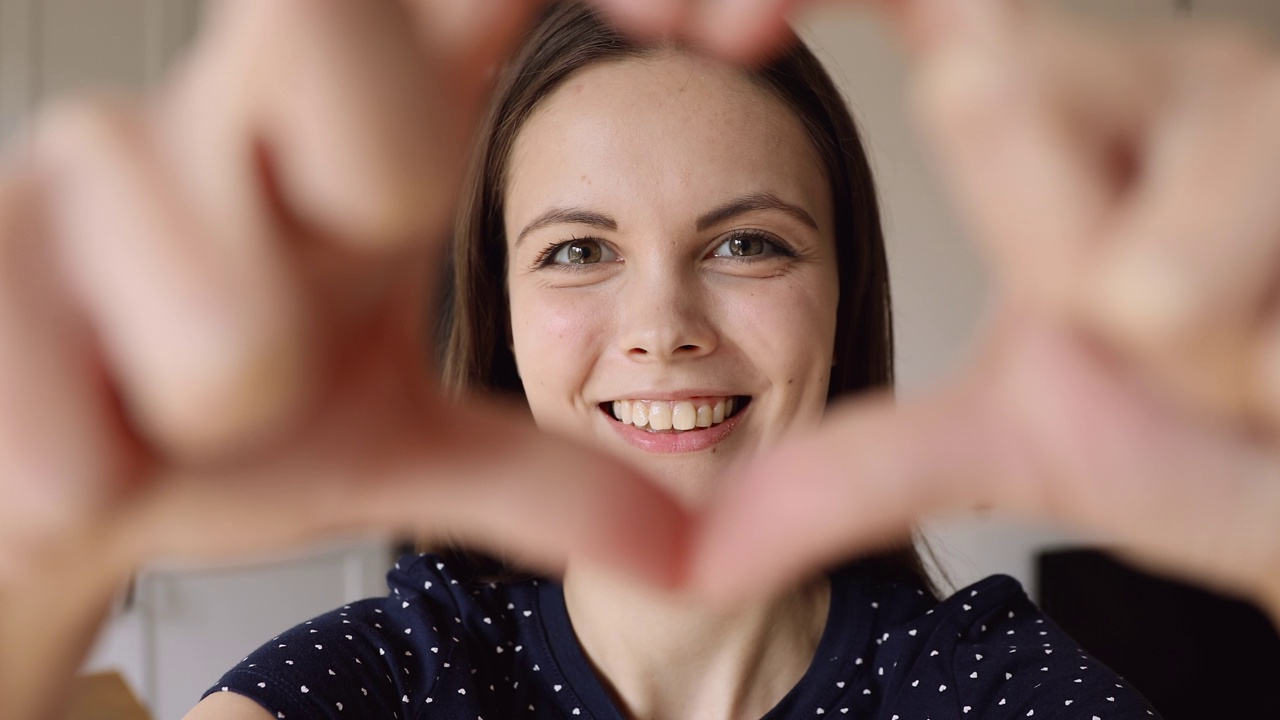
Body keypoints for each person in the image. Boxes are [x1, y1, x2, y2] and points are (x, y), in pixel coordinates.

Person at [183, 3, 1160, 719]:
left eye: (746, 244)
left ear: (840, 296)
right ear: (505, 316)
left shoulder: (984, 688)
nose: (661, 328)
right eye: (577, 251)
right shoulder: (387, 682)